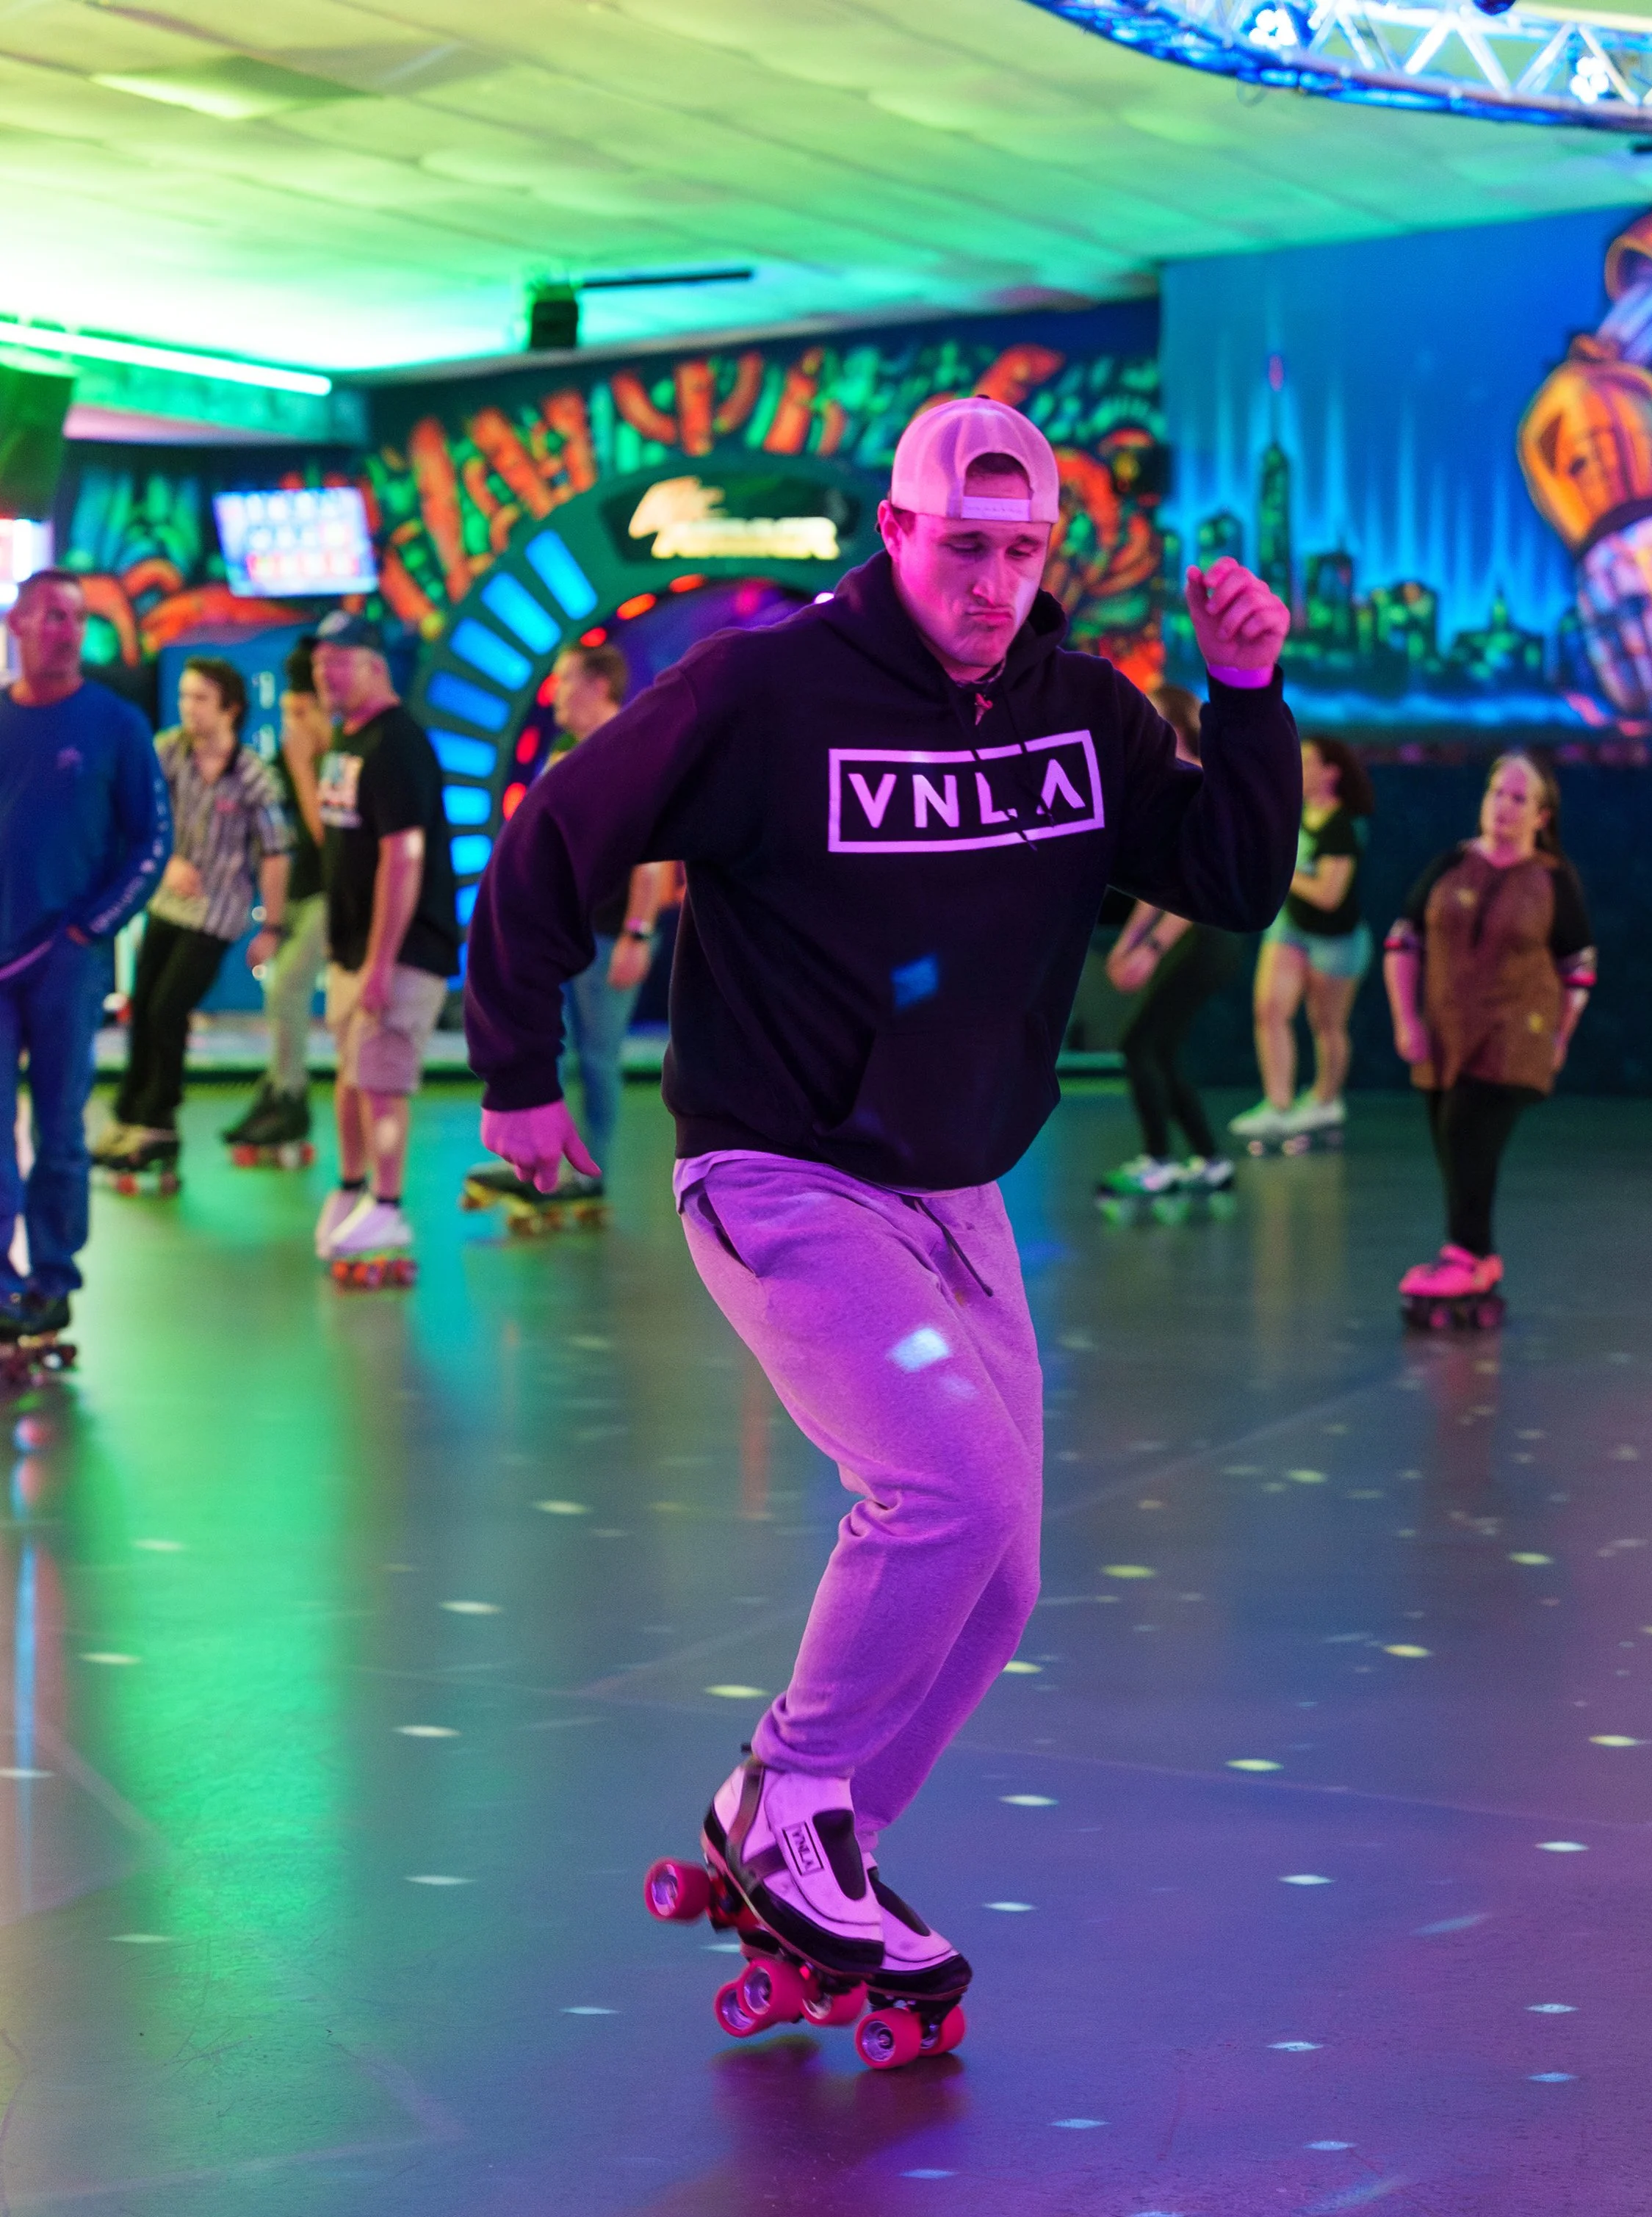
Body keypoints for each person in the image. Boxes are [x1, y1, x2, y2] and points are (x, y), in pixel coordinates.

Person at [464, 396, 1299, 2014]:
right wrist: (514, 1062)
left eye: (1021, 553)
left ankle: (818, 1825)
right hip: (780, 1173)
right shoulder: (768, 691)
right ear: (900, 534)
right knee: (950, 1491)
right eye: (963, 548)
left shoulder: (1080, 711)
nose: (992, 583)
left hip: (955, 1185)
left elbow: (1229, 875)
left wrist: (1247, 698)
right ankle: (785, 1792)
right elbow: (562, 828)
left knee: (1002, 1572)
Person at [0, 567, 168, 1335]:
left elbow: (151, 841)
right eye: (50, 616)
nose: (65, 630)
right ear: (16, 626)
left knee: (62, 1131)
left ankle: (54, 1277)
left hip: (68, 964)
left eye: (74, 618)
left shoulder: (116, 725)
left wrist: (90, 930)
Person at [1383, 746, 1595, 1319]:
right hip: (1448, 1030)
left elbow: (1578, 966)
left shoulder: (1552, 881)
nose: (1503, 807)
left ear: (1541, 816)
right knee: (1456, 1145)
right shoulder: (1451, 864)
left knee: (1467, 1125)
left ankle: (1465, 1255)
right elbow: (1404, 943)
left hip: (1518, 1034)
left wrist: (1561, 1036)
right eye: (1497, 794)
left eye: (1518, 799)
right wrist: (1407, 1020)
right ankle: (1476, 1259)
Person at [462, 638, 672, 1211]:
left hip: (611, 931)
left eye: (566, 679)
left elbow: (653, 854)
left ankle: (591, 1169)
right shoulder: (564, 751)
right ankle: (540, 1162)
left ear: (598, 684)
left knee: (597, 1057)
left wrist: (637, 931)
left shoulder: (633, 745)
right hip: (567, 933)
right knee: (555, 1051)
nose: (555, 692)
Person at [94, 656, 292, 1175]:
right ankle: (129, 1115)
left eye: (200, 698)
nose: (188, 708)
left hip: (216, 915)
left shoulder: (252, 775)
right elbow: (137, 818)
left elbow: (275, 851)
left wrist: (271, 926)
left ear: (229, 707)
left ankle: (159, 1125)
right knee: (144, 1009)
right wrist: (168, 863)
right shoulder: (167, 752)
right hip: (166, 904)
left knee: (166, 1009)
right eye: (184, 697)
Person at [307, 610, 458, 1270]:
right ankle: (352, 1188)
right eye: (319, 664)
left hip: (398, 952)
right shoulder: (350, 741)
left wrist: (380, 961)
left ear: (375, 665)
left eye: (338, 662)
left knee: (382, 1079)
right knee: (351, 1078)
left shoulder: (399, 745)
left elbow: (405, 857)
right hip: (353, 951)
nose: (325, 675)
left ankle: (390, 1206)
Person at [1095, 682, 1238, 1205]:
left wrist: (1149, 949)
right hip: (1192, 933)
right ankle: (1210, 1160)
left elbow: (1191, 885)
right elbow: (1154, 882)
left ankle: (1159, 1161)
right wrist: (1126, 943)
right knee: (1159, 1048)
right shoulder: (1159, 781)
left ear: (1175, 723)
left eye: (1150, 716)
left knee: (1142, 1046)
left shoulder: (1195, 777)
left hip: (1205, 935)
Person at [1230, 733, 1375, 1145]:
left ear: (1331, 773)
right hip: (1292, 927)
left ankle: (1327, 1101)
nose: (1300, 767)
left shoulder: (1342, 826)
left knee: (1326, 1024)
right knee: (1270, 1010)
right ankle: (1278, 1106)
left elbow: (1330, 896)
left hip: (1338, 941)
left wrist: (1280, 870)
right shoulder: (1290, 812)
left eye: (1309, 761)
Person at [223, 638, 331, 1155]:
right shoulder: (282, 761)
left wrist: (305, 765)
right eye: (286, 710)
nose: (292, 721)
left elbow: (325, 838)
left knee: (287, 988)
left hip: (331, 895)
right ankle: (280, 1090)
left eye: (302, 711)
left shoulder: (332, 758)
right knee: (279, 994)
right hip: (297, 895)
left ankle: (289, 1098)